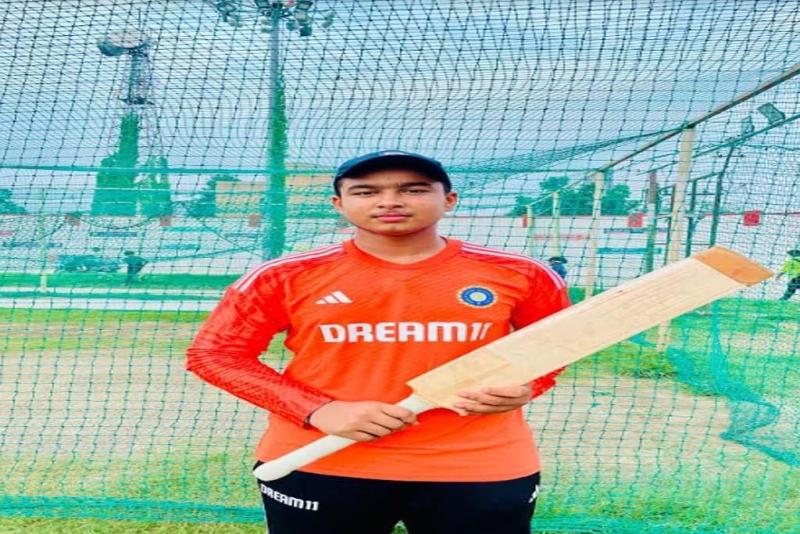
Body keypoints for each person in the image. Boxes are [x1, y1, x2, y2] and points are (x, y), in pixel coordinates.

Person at [186, 150, 570, 534]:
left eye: (414, 189)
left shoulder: (521, 273)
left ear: (449, 200)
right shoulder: (284, 275)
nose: (390, 201)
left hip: (479, 465)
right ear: (338, 204)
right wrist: (317, 410)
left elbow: (557, 348)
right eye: (366, 192)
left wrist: (528, 386)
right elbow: (215, 354)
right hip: (321, 460)